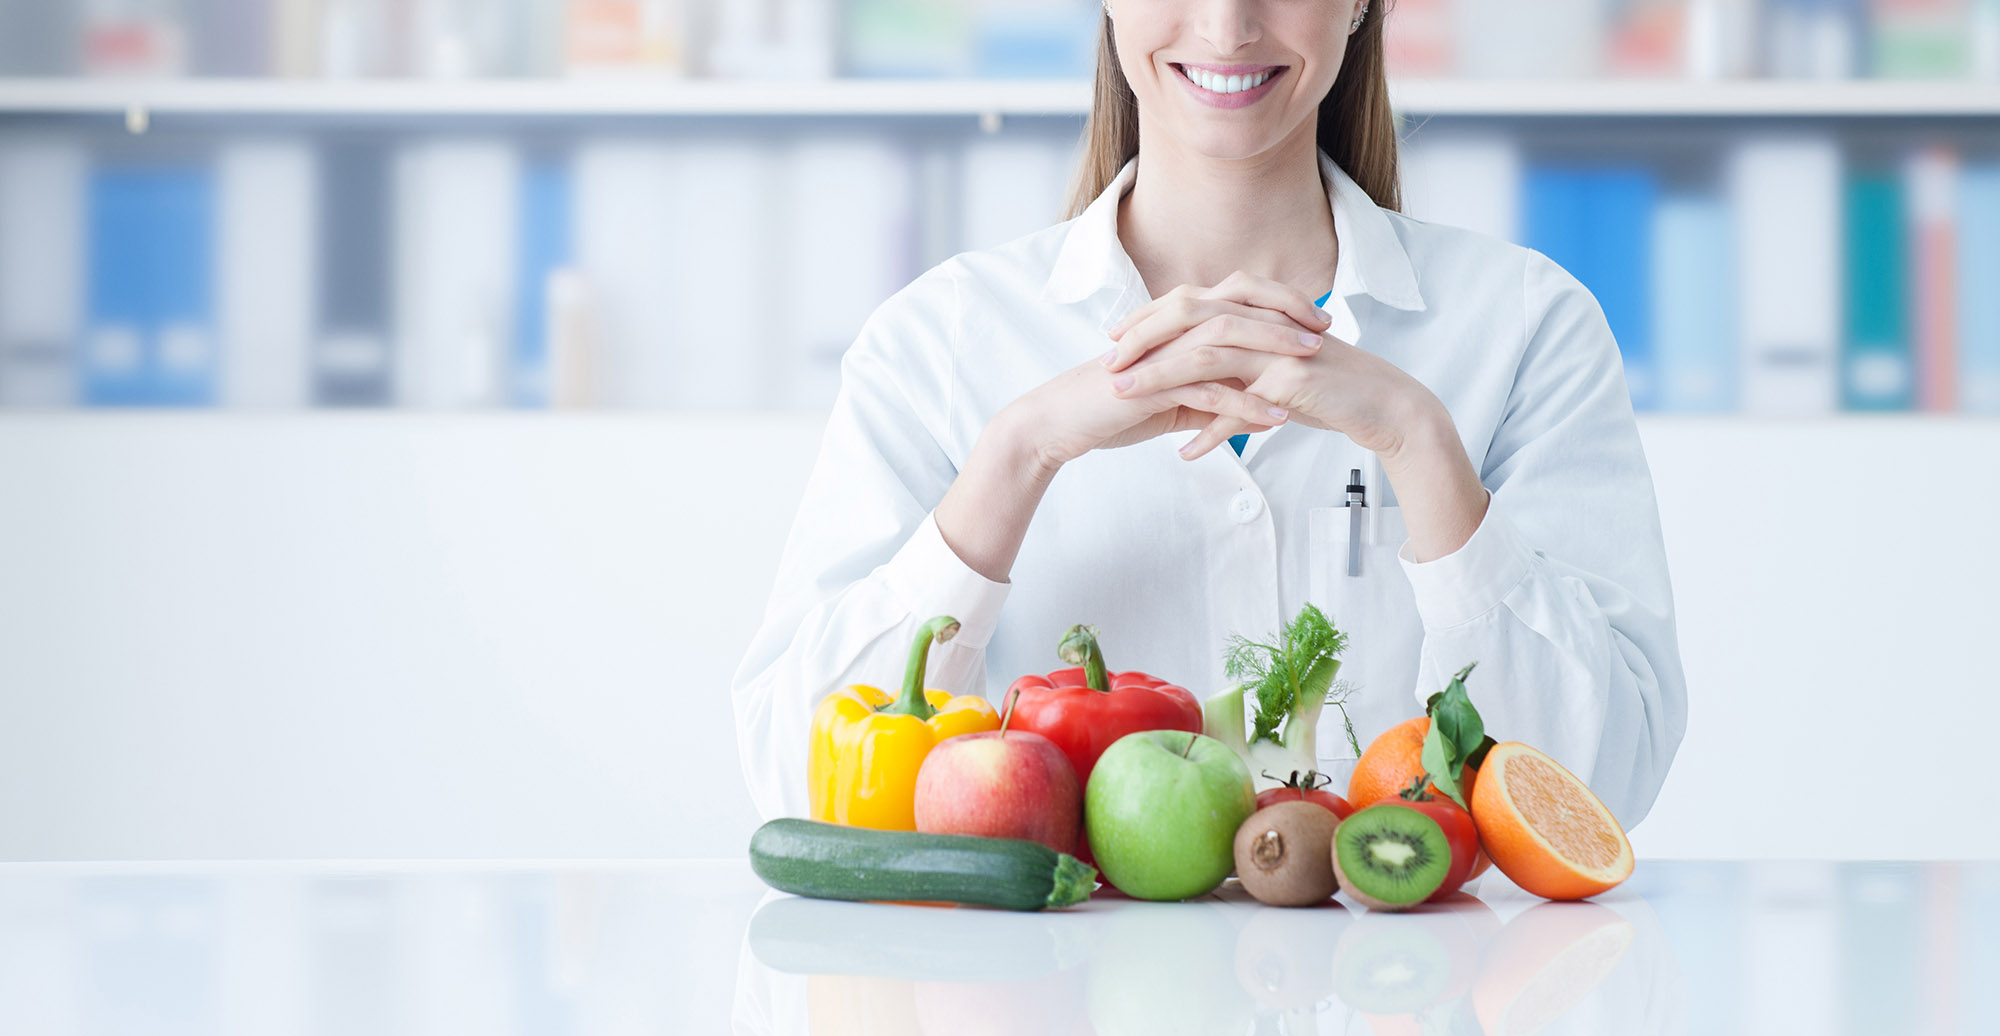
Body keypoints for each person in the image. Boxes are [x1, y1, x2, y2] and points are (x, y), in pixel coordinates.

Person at [732, 0, 1686, 829]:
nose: (1227, 26)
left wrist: (1417, 441)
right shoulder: (940, 340)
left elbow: (1597, 790)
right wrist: (1017, 457)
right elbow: (798, 782)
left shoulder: (1524, 326)